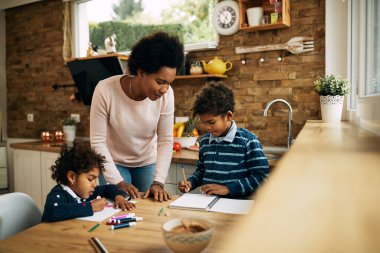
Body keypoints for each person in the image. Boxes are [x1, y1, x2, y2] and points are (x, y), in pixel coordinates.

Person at [90, 32, 185, 202]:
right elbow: (97, 142)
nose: (165, 89)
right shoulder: (105, 90)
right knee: (117, 211)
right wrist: (117, 182)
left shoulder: (167, 95)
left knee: (149, 209)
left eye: (169, 83)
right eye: (160, 82)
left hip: (147, 162)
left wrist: (159, 182)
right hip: (114, 163)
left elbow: (165, 140)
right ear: (141, 72)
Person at [178, 81, 269, 198]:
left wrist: (228, 189)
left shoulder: (248, 141)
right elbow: (201, 171)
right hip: (207, 203)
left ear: (228, 116)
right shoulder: (205, 142)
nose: (207, 127)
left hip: (236, 206)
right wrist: (190, 182)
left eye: (211, 122)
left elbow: (262, 177)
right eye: (203, 122)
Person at [41, 143, 135, 222]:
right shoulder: (58, 194)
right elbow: (53, 211)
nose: (94, 184)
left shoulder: (84, 191)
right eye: (90, 179)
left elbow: (108, 188)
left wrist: (119, 198)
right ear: (72, 177)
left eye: (95, 179)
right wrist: (90, 207)